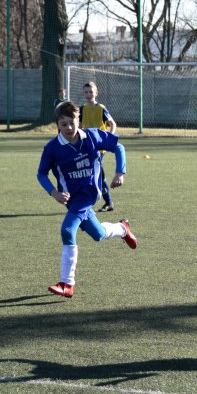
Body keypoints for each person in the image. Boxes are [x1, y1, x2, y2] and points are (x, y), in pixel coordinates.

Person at [37, 101, 137, 298]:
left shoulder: (91, 136)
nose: (69, 128)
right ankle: (122, 228)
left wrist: (120, 172)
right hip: (71, 199)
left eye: (72, 122)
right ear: (57, 124)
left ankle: (67, 283)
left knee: (67, 230)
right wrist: (53, 193)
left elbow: (119, 147)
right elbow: (41, 174)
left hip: (88, 194)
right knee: (98, 234)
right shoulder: (52, 148)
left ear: (78, 120)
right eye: (63, 124)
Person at [80, 81, 118, 212]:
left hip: (99, 147)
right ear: (83, 94)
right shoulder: (82, 109)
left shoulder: (101, 108)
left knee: (96, 173)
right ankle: (106, 202)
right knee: (97, 173)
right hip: (86, 145)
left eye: (91, 92)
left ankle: (106, 202)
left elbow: (112, 124)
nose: (89, 94)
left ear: (96, 93)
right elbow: (79, 126)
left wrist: (109, 139)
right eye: (86, 92)